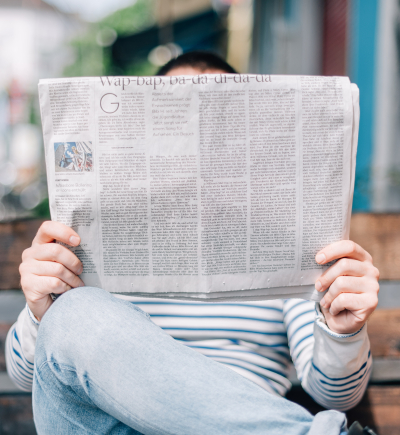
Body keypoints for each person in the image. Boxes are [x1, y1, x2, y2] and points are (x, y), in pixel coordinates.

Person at [6, 52, 379, 435]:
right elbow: (27, 376)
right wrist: (41, 312)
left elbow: (335, 394)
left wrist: (343, 331)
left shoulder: (288, 244)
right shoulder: (89, 239)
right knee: (75, 313)